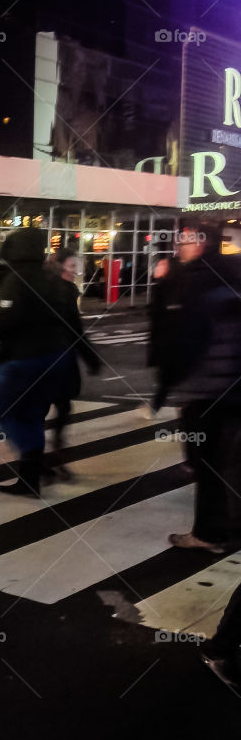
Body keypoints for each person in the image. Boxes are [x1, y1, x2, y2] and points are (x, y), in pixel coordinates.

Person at [0, 228, 75, 496]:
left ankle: (33, 462)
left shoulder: (17, 280)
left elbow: (3, 319)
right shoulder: (51, 278)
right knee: (32, 414)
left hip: (24, 359)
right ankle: (30, 478)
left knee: (4, 411)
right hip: (55, 357)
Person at [165, 222, 241, 554]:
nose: (180, 246)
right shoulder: (231, 274)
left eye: (185, 240)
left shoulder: (198, 280)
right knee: (227, 462)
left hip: (209, 390)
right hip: (234, 388)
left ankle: (209, 535)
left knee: (207, 464)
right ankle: (224, 527)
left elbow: (188, 343)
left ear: (201, 243)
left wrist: (184, 392)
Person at [44, 247, 101, 479]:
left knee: (57, 407)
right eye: (71, 265)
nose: (75, 268)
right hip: (55, 358)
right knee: (60, 407)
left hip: (53, 357)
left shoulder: (56, 287)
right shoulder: (60, 290)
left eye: (76, 264)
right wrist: (90, 358)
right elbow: (74, 329)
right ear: (60, 266)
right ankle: (50, 458)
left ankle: (46, 458)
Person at [136, 254, 183, 420]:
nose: (157, 268)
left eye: (162, 265)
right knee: (168, 380)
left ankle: (157, 408)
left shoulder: (170, 288)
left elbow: (167, 318)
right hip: (165, 343)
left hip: (171, 344)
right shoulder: (161, 287)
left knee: (167, 379)